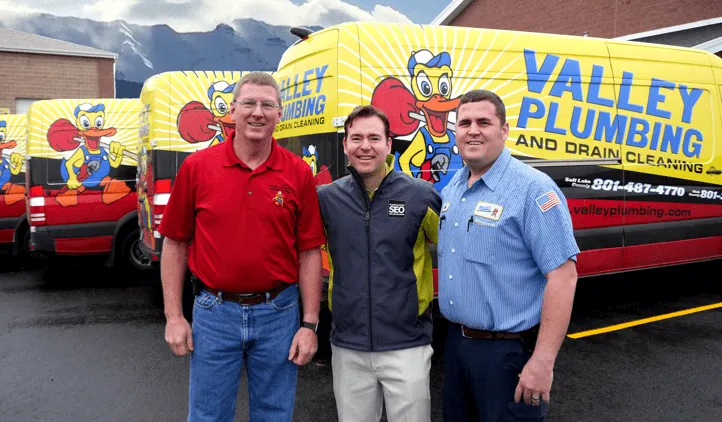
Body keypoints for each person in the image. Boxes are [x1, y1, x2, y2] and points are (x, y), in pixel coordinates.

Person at [157, 71, 325, 422]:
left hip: (279, 314)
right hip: (214, 313)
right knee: (208, 416)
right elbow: (175, 243)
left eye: (267, 105)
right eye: (249, 103)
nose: (257, 112)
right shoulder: (197, 168)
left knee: (274, 416)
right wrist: (174, 317)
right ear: (232, 111)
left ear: (280, 114)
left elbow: (309, 251)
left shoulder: (298, 173)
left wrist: (309, 324)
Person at [437, 89, 580, 421]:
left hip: (506, 353)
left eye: (483, 122)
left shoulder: (533, 189)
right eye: (465, 123)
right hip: (456, 347)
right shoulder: (454, 187)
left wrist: (542, 362)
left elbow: (563, 277)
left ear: (504, 130)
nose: (473, 131)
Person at [317, 104, 442, 422]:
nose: (365, 146)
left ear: (388, 144)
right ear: (345, 145)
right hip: (349, 344)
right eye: (356, 138)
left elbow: (456, 250)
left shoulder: (421, 196)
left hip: (407, 344)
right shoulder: (326, 199)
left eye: (374, 138)